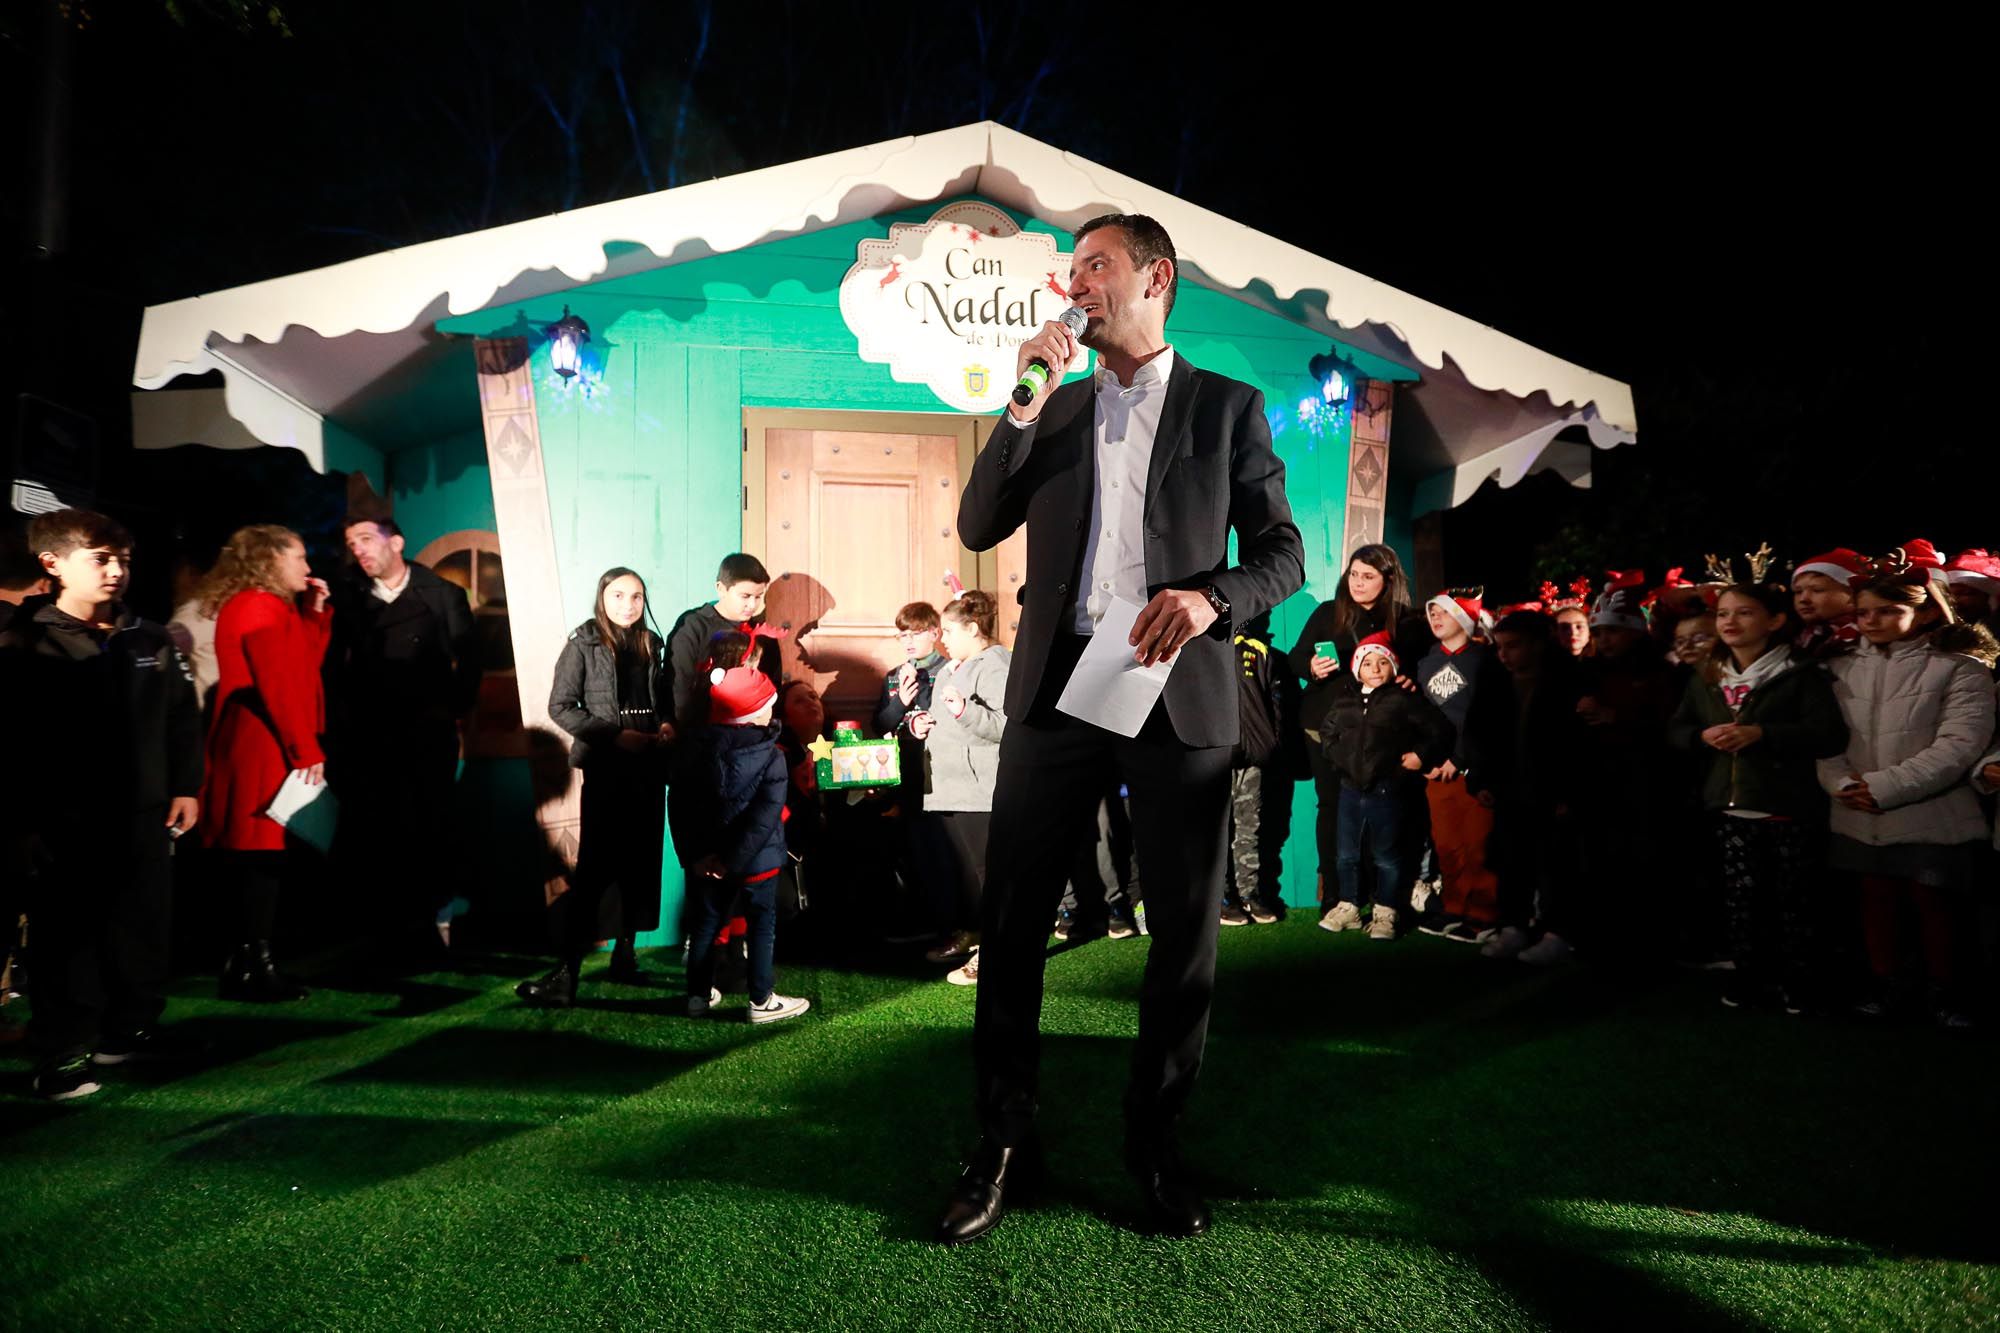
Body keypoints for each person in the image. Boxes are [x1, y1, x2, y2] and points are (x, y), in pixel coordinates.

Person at [938, 212, 1304, 1244]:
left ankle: (1152, 1142)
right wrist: (1018, 403)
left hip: (1173, 693)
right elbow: (975, 528)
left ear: (1156, 278)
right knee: (1011, 921)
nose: (1076, 283)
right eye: (1070, 271)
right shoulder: (1046, 406)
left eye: (1094, 266)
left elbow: (1283, 552)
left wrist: (1210, 599)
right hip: (1055, 692)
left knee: (1181, 936)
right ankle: (1003, 1140)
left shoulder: (1227, 406)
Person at [0, 509, 203, 1099]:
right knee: (68, 938)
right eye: (101, 559)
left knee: (142, 927)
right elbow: (12, 741)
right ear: (53, 564)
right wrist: (21, 822)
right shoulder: (23, 640)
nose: (116, 571)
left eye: (124, 560)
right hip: (63, 821)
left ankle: (128, 1032)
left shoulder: (149, 636)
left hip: (143, 814)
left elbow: (180, 716)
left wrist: (186, 784)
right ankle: (62, 1053)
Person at [1818, 545, 1995, 1027]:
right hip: (1857, 808)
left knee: (1933, 903)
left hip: (1930, 810)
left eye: (1888, 611)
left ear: (1921, 611)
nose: (1871, 621)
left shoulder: (1961, 669)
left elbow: (1961, 744)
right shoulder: (1838, 668)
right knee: (1877, 901)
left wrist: (1883, 786)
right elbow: (1824, 736)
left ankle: (1949, 992)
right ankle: (1888, 985)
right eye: (1863, 613)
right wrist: (1838, 781)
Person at [1670, 584, 1848, 1011]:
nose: (1730, 622)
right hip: (1730, 806)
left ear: (1775, 621)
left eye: (1744, 613)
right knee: (1742, 900)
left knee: (1796, 900)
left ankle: (1801, 982)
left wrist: (1763, 734)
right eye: (1723, 614)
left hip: (1787, 804)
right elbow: (1676, 730)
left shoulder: (1801, 673)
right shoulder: (1707, 675)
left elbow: (1828, 734)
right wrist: (1700, 736)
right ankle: (1751, 977)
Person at [326, 511, 481, 956]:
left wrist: (452, 711)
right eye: (350, 543)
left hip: (428, 734)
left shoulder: (442, 594)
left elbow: (470, 662)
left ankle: (434, 924)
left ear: (396, 542)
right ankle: (385, 931)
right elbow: (335, 668)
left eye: (365, 538)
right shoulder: (350, 600)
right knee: (380, 830)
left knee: (430, 826)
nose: (358, 549)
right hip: (372, 737)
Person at [518, 567, 673, 1007]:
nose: (628, 605)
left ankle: (625, 956)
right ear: (602, 597)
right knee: (595, 871)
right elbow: (561, 706)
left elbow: (661, 701)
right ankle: (567, 974)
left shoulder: (650, 644)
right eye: (619, 595)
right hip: (607, 770)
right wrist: (613, 736)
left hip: (648, 768)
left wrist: (665, 725)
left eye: (637, 596)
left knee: (641, 865)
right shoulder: (582, 642)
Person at [200, 525, 333, 1003]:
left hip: (265, 739)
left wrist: (314, 616)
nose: (307, 567)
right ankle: (252, 965)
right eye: (298, 557)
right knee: (259, 855)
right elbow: (278, 685)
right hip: (263, 744)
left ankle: (251, 961)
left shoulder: (267, 606)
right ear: (271, 559)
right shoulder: (258, 606)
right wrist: (305, 750)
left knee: (261, 855)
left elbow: (299, 669)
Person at [1288, 545, 1428, 918]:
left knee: (1383, 811)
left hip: (1380, 735)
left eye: (1368, 576)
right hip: (1325, 729)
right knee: (1332, 808)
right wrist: (1312, 667)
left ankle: (1383, 898)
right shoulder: (1327, 613)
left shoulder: (1406, 621)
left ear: (1388, 580)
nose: (1358, 583)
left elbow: (1420, 670)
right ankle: (1336, 897)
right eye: (1353, 574)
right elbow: (1295, 658)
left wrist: (1412, 682)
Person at [668, 663, 809, 1024]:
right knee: (762, 926)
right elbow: (765, 816)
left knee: (705, 925)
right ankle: (761, 1000)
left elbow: (679, 806)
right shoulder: (772, 755)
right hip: (755, 864)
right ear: (756, 710)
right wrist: (732, 859)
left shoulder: (690, 749)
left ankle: (697, 996)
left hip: (706, 863)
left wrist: (697, 856)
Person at [1465, 611, 1588, 963]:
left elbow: (1577, 744)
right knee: (1512, 862)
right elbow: (1477, 732)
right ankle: (1514, 926)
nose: (1504, 654)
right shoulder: (1494, 680)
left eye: (1513, 646)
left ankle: (1557, 932)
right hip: (1508, 790)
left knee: (1556, 865)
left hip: (1551, 792)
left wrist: (1569, 793)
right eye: (1500, 647)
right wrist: (1481, 779)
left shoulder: (1568, 680)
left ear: (1538, 644)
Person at [1317, 634, 1453, 941]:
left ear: (1393, 667)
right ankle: (1349, 905)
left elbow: (1439, 730)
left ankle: (1385, 910)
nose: (1375, 668)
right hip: (1350, 790)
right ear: (1357, 668)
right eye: (1367, 662)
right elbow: (1327, 733)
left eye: (1382, 661)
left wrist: (1420, 756)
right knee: (1346, 854)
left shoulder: (1403, 700)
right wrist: (1342, 759)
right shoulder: (1345, 699)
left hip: (1387, 790)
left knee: (1387, 856)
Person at [906, 592, 1012, 985]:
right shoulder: (953, 667)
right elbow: (943, 718)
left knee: (989, 875)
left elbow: (1005, 726)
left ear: (972, 628)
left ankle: (996, 953)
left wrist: (965, 712)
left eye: (948, 631)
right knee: (966, 873)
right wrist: (922, 725)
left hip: (980, 789)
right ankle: (974, 932)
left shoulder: (997, 664)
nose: (941, 639)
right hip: (947, 786)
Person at [1414, 589, 1501, 943]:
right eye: (1431, 613)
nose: (1435, 619)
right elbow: (1420, 719)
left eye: (1443, 613)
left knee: (1479, 844)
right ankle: (1454, 906)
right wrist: (1426, 758)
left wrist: (1460, 759)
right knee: (1446, 844)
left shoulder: (1486, 661)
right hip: (1437, 771)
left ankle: (1484, 914)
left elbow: (1486, 720)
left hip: (1473, 770)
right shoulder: (1425, 663)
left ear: (1463, 619)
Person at [877, 602, 953, 945]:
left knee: (944, 851)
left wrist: (922, 715)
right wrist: (900, 705)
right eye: (902, 634)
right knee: (912, 851)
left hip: (942, 771)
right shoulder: (894, 675)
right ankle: (919, 920)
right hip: (906, 775)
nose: (908, 641)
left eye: (916, 633)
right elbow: (879, 724)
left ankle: (952, 923)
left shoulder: (951, 669)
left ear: (935, 633)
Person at [665, 553, 778, 739]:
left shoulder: (761, 632)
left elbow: (772, 684)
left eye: (759, 596)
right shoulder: (694, 625)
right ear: (721, 588)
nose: (753, 604)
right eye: (745, 596)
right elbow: (678, 685)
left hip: (750, 737)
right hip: (699, 736)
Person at [1222, 612, 1285, 926]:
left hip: (1254, 757)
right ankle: (1221, 896)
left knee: (1249, 827)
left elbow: (1275, 705)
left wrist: (1270, 744)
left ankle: (1250, 893)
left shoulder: (1259, 650)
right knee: (1216, 830)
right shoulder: (1204, 648)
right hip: (1216, 758)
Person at [1790, 547, 1865, 661]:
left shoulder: (1866, 636)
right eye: (1798, 592)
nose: (1803, 599)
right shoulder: (1799, 637)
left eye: (1817, 590)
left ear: (1852, 593)